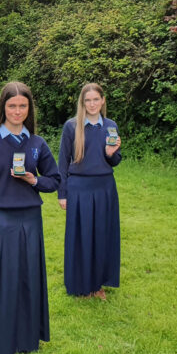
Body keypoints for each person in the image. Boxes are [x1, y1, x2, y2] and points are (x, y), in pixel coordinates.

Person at [0, 81, 60, 354]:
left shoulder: (37, 143)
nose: (17, 111)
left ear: (29, 109)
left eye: (22, 106)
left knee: (27, 278)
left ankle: (27, 337)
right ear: (2, 107)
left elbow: (54, 180)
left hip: (30, 220)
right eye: (12, 106)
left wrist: (34, 180)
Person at [57, 82, 122, 300]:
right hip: (79, 189)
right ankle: (81, 285)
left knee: (102, 237)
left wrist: (111, 153)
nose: (92, 104)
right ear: (82, 103)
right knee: (81, 237)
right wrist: (62, 193)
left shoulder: (110, 125)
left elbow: (115, 161)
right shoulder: (71, 126)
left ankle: (98, 285)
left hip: (104, 189)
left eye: (96, 99)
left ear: (103, 100)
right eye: (88, 100)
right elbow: (63, 163)